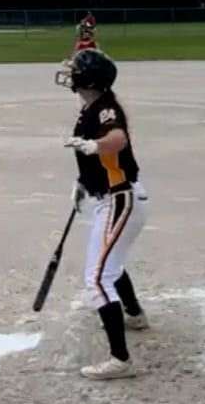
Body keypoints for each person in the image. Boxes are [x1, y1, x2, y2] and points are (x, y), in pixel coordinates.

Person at [56, 47, 150, 381]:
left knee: (97, 279)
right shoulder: (91, 108)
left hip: (119, 198)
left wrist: (95, 146)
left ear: (89, 80)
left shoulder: (106, 109)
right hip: (113, 195)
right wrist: (84, 181)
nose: (70, 72)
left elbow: (117, 140)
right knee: (110, 265)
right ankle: (134, 314)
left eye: (77, 69)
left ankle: (120, 360)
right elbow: (100, 159)